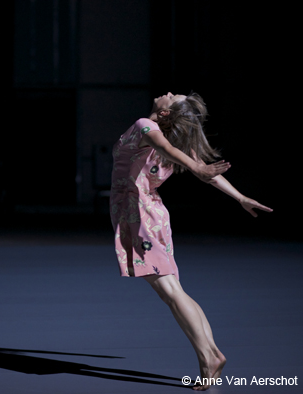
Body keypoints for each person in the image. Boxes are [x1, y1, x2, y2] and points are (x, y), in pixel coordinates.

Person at [110, 92, 272, 391]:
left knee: (171, 292)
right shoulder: (170, 140)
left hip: (139, 214)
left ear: (166, 114)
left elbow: (165, 147)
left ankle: (209, 356)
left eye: (173, 97)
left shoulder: (145, 125)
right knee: (175, 290)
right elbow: (196, 167)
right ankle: (208, 355)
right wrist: (240, 197)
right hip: (153, 213)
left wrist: (231, 192)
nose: (168, 93)